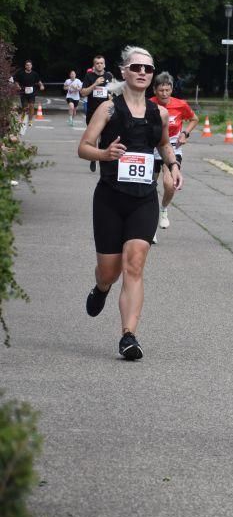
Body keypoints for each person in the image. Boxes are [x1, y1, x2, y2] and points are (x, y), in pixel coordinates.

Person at [77, 45, 182, 360]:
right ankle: (102, 288)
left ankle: (128, 336)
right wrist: (104, 154)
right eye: (136, 67)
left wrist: (173, 165)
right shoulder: (108, 109)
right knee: (109, 272)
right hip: (110, 198)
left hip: (143, 199)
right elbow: (84, 147)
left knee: (134, 264)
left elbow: (164, 144)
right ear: (124, 71)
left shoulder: (158, 113)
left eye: (148, 69)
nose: (142, 73)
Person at [150, 72, 198, 231]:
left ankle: (163, 209)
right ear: (154, 90)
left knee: (169, 184)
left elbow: (194, 119)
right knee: (149, 185)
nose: (164, 94)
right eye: (161, 90)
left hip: (172, 146)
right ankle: (150, 221)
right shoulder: (148, 104)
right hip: (152, 147)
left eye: (167, 90)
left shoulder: (180, 105)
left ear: (171, 89)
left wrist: (185, 133)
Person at [81, 55, 115, 172]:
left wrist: (111, 96)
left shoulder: (109, 76)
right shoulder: (89, 76)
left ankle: (102, 158)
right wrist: (95, 84)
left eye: (101, 63)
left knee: (104, 136)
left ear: (104, 65)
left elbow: (113, 92)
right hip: (92, 112)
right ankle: (93, 158)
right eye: (97, 63)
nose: (99, 65)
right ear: (94, 65)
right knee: (93, 137)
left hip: (106, 112)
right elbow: (83, 93)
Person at [13, 60, 43, 127]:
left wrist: (41, 85)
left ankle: (30, 120)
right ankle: (22, 118)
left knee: (31, 106)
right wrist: (18, 86)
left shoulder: (34, 74)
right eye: (27, 65)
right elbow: (16, 81)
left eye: (29, 65)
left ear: (31, 66)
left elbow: (39, 81)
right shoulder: (21, 73)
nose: (28, 66)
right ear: (25, 66)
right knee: (25, 107)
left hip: (32, 92)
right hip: (23, 92)